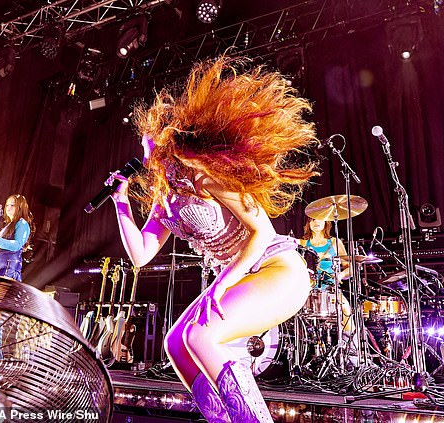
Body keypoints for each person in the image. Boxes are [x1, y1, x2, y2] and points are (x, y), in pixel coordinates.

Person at [107, 56, 318, 422]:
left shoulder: (206, 179)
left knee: (199, 337)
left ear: (171, 146)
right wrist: (121, 203)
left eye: (151, 148)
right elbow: (140, 256)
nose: (146, 157)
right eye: (144, 149)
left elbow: (262, 232)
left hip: (276, 270)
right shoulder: (164, 203)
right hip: (244, 275)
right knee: (176, 343)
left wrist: (219, 288)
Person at [299, 217, 356, 359]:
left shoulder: (335, 243)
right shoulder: (302, 243)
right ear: (308, 223)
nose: (316, 222)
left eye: (320, 219)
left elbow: (350, 268)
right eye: (312, 220)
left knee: (346, 308)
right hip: (308, 290)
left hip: (331, 288)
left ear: (326, 222)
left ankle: (351, 352)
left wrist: (341, 275)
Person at [0, 194, 33, 282]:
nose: (8, 208)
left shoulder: (22, 223)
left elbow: (17, 245)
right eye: (7, 205)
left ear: (20, 207)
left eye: (12, 205)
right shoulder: (9, 225)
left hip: (7, 269)